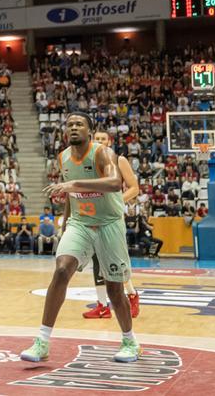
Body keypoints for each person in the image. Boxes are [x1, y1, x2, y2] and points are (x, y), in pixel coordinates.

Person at [21, 114, 139, 364]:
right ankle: (42, 341)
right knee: (62, 270)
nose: (73, 128)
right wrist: (66, 227)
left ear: (90, 130)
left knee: (114, 289)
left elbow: (115, 181)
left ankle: (130, 340)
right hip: (80, 222)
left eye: (79, 124)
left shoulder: (103, 153)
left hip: (109, 223)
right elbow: (69, 194)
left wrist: (73, 183)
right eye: (70, 124)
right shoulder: (63, 157)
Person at [83, 130, 141, 320]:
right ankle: (102, 306)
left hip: (112, 217)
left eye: (103, 139)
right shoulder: (88, 162)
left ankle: (132, 295)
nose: (100, 141)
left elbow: (134, 188)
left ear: (109, 141)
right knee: (97, 261)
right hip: (93, 215)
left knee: (116, 259)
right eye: (97, 139)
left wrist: (117, 201)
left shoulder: (119, 160)